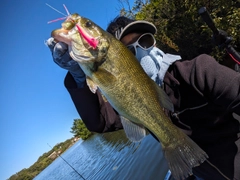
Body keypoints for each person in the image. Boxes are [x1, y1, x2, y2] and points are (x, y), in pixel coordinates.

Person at [46, 16, 240, 180]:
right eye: (130, 49)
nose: (142, 50)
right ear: (118, 57)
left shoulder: (198, 70)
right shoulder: (126, 98)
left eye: (145, 41)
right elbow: (100, 122)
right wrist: (78, 77)